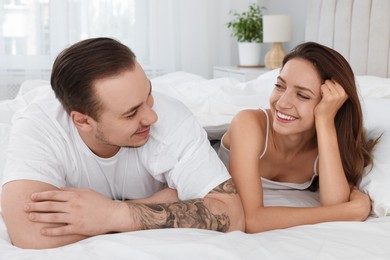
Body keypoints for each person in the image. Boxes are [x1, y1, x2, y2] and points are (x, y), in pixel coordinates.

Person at [1, 37, 244, 249]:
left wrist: (113, 214)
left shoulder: (171, 117)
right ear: (83, 121)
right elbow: (30, 233)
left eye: (148, 94)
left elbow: (232, 215)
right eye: (131, 113)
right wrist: (161, 201)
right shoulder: (39, 125)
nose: (152, 117)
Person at [218, 42, 379, 233]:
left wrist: (325, 121)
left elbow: (335, 202)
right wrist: (352, 210)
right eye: (279, 85)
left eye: (302, 95)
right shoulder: (249, 124)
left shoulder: (326, 143)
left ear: (330, 104)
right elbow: (250, 220)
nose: (282, 102)